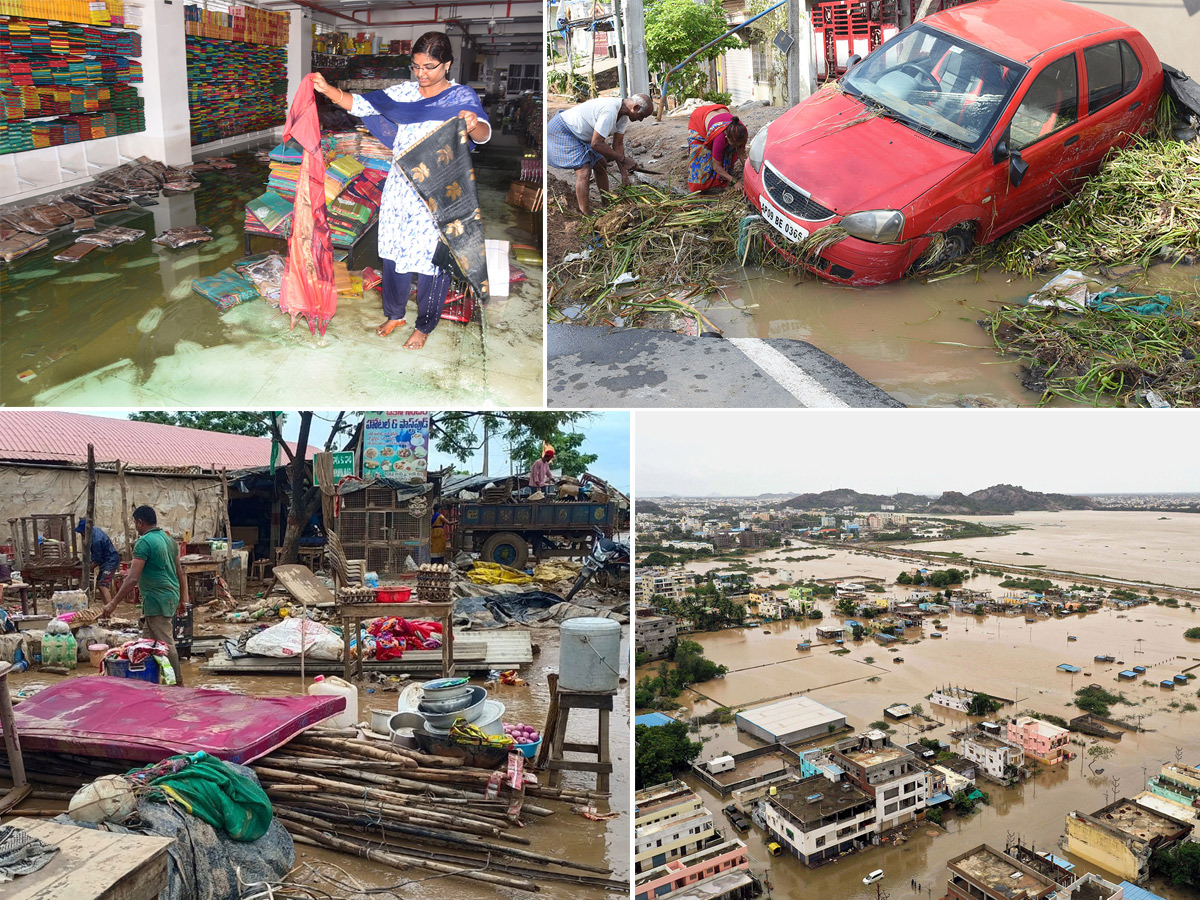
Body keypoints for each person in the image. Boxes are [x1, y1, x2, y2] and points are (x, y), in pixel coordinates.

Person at [312, 31, 491, 350]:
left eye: (430, 66)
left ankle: (424, 326)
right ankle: (395, 314)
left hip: (439, 190)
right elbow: (363, 104)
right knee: (393, 254)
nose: (422, 74)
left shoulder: (460, 96)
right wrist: (329, 90)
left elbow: (484, 133)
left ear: (447, 64)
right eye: (417, 66)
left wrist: (473, 122)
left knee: (432, 262)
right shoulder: (406, 93)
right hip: (400, 187)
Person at [101, 506, 188, 686]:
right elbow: (181, 572)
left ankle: (178, 683)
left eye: (135, 523)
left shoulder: (144, 542)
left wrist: (112, 604)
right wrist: (182, 599)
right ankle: (148, 681)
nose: (135, 527)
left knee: (166, 642)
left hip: (157, 599)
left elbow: (133, 578)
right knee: (146, 642)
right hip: (169, 596)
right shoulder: (169, 539)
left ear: (140, 522)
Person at [547, 95, 654, 215]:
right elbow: (596, 144)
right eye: (641, 116)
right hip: (562, 131)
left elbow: (617, 145)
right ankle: (586, 215)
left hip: (581, 135)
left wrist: (624, 174)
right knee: (584, 170)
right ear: (635, 107)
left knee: (601, 164)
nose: (641, 120)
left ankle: (606, 206)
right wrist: (624, 159)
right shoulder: (609, 111)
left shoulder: (623, 117)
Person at [687, 104, 748, 193]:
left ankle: (720, 181)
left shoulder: (742, 132)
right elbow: (716, 167)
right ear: (727, 137)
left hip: (718, 111)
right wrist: (735, 181)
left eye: (738, 144)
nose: (735, 146)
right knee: (702, 154)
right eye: (733, 143)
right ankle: (708, 185)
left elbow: (741, 153)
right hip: (699, 119)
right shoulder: (720, 137)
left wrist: (750, 172)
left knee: (728, 151)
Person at [75, 518, 121, 607]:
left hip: (110, 560)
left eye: (82, 533)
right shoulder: (94, 530)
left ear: (86, 531)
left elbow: (97, 560)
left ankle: (110, 609)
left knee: (103, 584)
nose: (81, 535)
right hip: (105, 560)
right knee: (100, 584)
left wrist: (88, 570)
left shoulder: (96, 540)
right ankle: (106, 608)